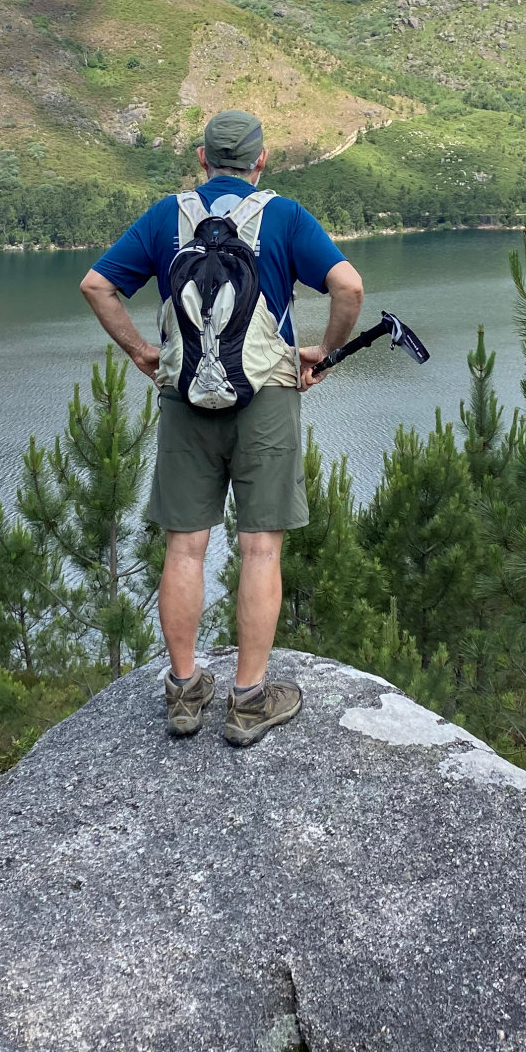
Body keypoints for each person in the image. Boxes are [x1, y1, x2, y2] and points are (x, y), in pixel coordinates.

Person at [80, 110, 364, 746]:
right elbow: (348, 286)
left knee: (185, 546)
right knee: (260, 548)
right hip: (265, 396)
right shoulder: (285, 216)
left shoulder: (166, 216)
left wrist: (140, 353)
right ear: (261, 162)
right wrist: (324, 352)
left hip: (184, 400)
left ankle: (184, 694)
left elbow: (97, 285)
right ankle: (247, 701)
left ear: (203, 159)